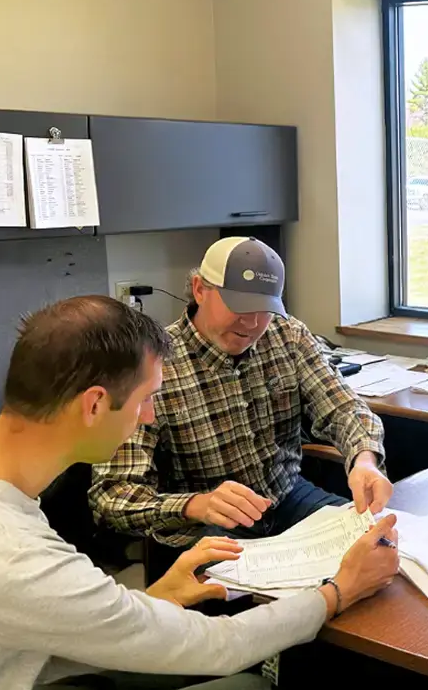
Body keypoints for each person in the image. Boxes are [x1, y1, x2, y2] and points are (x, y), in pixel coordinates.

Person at [0, 296, 400, 690]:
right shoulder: (5, 550)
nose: (151, 416)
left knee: (194, 666)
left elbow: (30, 617)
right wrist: (338, 591)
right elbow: (222, 646)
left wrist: (158, 598)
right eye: (146, 399)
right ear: (93, 405)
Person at [90, 236, 392, 552]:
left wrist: (364, 459)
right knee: (283, 594)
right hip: (204, 525)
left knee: (376, 545)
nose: (252, 323)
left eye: (264, 309)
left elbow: (343, 408)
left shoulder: (287, 335)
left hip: (287, 496)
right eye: (239, 306)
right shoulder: (152, 364)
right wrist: (195, 505)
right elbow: (111, 496)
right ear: (199, 290)